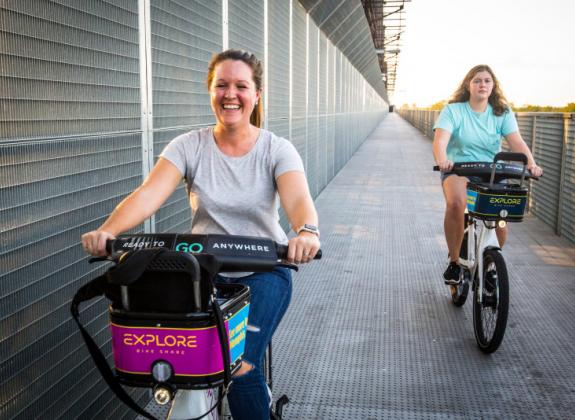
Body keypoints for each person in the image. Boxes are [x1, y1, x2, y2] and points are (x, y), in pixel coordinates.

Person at [81, 49, 321, 419]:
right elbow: (149, 194)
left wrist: (306, 232)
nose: (230, 94)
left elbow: (298, 199)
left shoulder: (277, 150)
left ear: (256, 95)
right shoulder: (188, 145)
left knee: (240, 367)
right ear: (210, 92)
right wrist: (109, 230)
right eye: (221, 85)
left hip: (263, 271)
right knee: (186, 364)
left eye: (241, 86)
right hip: (203, 272)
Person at [432, 64, 543, 284]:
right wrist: (443, 160)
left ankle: (491, 261)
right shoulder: (454, 110)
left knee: (502, 217)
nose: (482, 84)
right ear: (468, 85)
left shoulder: (502, 112)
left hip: (491, 170)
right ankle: (455, 263)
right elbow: (440, 140)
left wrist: (531, 164)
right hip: (459, 169)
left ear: (493, 86)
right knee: (456, 203)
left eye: (487, 81)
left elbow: (516, 141)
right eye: (477, 80)